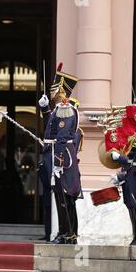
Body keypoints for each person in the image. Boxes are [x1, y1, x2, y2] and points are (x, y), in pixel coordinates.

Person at [38, 68, 82, 245]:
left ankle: (68, 233)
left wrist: (58, 161)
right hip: (57, 153)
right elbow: (52, 126)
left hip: (61, 155)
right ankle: (66, 232)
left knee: (65, 196)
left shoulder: (66, 109)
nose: (51, 91)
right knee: (60, 196)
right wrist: (44, 109)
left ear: (61, 91)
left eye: (54, 89)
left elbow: (62, 136)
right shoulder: (59, 109)